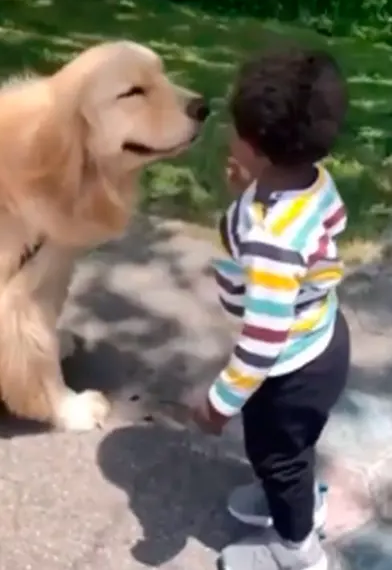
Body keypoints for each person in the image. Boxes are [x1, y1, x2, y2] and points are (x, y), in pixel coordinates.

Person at [190, 46, 350, 570]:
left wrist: (220, 401)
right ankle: (302, 503)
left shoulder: (271, 240)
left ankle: (297, 549)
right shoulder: (311, 181)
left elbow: (263, 340)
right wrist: (250, 190)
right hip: (324, 336)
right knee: (289, 450)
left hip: (291, 366)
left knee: (279, 453)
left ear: (254, 146)